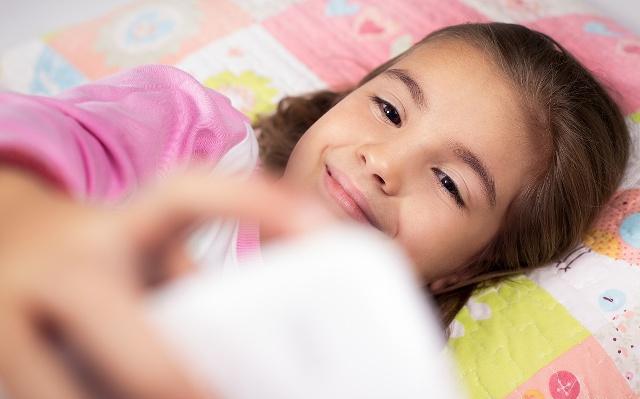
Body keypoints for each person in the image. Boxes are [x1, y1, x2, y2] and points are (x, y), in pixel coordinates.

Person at [0, 22, 630, 398]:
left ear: (463, 271)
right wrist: (26, 219)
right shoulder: (193, 143)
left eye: (449, 182)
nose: (384, 162)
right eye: (388, 110)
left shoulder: (361, 377)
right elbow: (40, 139)